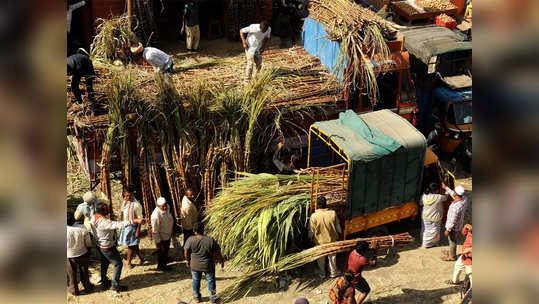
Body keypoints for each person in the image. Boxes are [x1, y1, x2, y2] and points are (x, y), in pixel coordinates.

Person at [91, 201, 145, 291]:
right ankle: (115, 285)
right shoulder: (104, 222)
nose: (109, 209)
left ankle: (104, 281)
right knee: (118, 264)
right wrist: (134, 220)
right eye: (107, 208)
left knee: (104, 262)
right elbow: (118, 225)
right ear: (103, 210)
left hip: (100, 245)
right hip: (107, 246)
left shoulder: (94, 217)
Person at [184, 222, 224, 303]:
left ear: (194, 231)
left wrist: (187, 260)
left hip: (195, 265)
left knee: (196, 280)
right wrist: (221, 261)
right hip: (208, 265)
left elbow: (186, 250)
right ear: (203, 230)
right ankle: (213, 298)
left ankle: (197, 297)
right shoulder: (210, 240)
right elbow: (218, 252)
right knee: (211, 281)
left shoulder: (190, 239)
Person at [309, 196, 341, 278]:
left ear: (318, 205)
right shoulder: (333, 213)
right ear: (326, 204)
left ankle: (322, 273)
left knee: (321, 259)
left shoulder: (314, 216)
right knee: (332, 257)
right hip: (332, 240)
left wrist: (310, 238)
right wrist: (340, 234)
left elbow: (311, 231)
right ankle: (333, 272)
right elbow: (338, 227)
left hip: (320, 241)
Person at [67, 212, 94, 296]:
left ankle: (74, 290)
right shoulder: (82, 228)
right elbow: (88, 243)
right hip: (82, 253)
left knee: (71, 273)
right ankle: (87, 287)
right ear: (74, 219)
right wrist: (89, 251)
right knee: (84, 272)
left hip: (69, 255)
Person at [118, 187, 144, 269]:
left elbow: (140, 218)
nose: (127, 198)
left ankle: (128, 262)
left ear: (132, 195)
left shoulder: (136, 205)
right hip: (126, 226)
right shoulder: (124, 202)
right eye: (125, 196)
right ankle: (139, 258)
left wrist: (138, 230)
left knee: (131, 245)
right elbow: (122, 214)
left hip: (133, 227)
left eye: (129, 196)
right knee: (133, 243)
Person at [442, 183, 468, 261]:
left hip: (453, 227)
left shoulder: (456, 207)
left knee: (452, 241)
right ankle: (451, 252)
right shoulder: (464, 199)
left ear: (456, 193)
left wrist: (447, 230)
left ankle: (452, 256)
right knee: (452, 240)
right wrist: (446, 187)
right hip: (458, 225)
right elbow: (453, 195)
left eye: (454, 191)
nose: (453, 191)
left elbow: (452, 220)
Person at [420, 183, 448, 248]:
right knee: (435, 232)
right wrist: (446, 189)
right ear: (437, 190)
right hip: (435, 219)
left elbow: (420, 203)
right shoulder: (439, 197)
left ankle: (424, 243)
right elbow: (446, 197)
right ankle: (433, 243)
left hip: (425, 217)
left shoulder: (424, 196)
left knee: (425, 230)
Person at [151, 197, 174, 271]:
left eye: (165, 205)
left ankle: (165, 260)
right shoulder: (155, 216)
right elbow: (155, 230)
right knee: (162, 251)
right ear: (158, 206)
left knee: (166, 249)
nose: (164, 207)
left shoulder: (167, 207)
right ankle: (161, 266)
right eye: (162, 206)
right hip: (162, 236)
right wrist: (158, 242)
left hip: (168, 233)